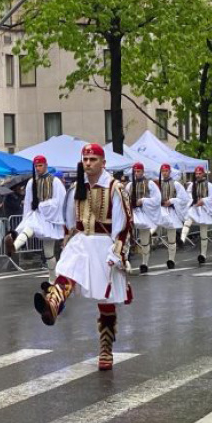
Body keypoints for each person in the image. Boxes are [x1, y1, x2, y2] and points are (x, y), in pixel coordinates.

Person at [33, 143, 133, 371]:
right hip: (81, 241)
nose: (88, 163)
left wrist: (117, 251)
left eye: (93, 159)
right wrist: (68, 238)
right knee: (67, 271)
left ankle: (106, 347)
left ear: (103, 163)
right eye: (85, 159)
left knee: (106, 301)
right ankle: (53, 304)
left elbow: (123, 223)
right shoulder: (76, 187)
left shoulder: (115, 188)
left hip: (104, 245)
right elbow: (69, 217)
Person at [4, 155, 67, 281]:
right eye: (36, 166)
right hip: (37, 214)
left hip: (50, 218)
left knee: (49, 253)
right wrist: (26, 216)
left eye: (40, 165)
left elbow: (60, 200)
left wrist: (44, 205)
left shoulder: (55, 181)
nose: (38, 168)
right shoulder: (31, 182)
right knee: (29, 227)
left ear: (46, 165)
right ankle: (14, 247)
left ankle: (52, 279)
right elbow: (28, 201)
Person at [151, 163, 190, 269]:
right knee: (152, 225)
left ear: (170, 172)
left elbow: (185, 198)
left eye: (166, 171)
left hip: (171, 211)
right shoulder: (157, 184)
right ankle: (152, 239)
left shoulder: (176, 184)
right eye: (163, 171)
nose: (164, 173)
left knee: (171, 237)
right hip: (161, 210)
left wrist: (172, 200)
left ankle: (171, 260)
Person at [180, 166, 212, 265]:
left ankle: (203, 254)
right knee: (188, 220)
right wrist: (192, 202)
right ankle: (182, 239)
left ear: (203, 174)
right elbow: (188, 196)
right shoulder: (192, 185)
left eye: (199, 173)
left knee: (203, 233)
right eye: (196, 174)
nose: (197, 175)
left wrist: (203, 201)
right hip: (194, 208)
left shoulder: (209, 185)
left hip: (204, 210)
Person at [124, 162, 160, 274]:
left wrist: (143, 201)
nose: (136, 173)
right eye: (135, 171)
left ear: (143, 171)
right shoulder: (129, 185)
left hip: (143, 213)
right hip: (132, 213)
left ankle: (144, 263)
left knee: (144, 239)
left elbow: (157, 199)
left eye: (138, 171)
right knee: (126, 237)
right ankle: (126, 260)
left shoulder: (150, 183)